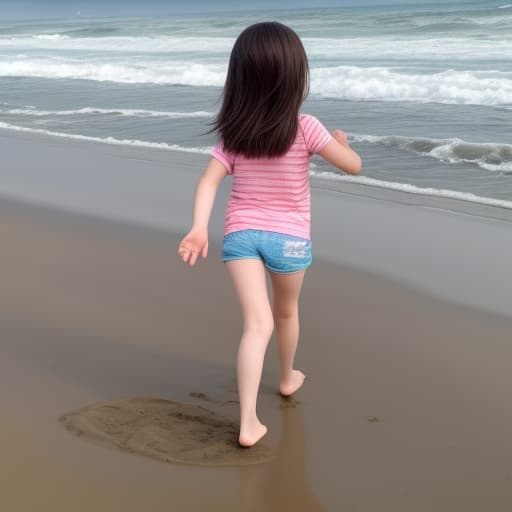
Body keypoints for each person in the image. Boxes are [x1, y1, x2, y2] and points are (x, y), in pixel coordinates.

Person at [178, 21, 361, 448]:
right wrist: (342, 142)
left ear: (238, 77)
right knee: (285, 313)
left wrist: (199, 227)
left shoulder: (235, 133)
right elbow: (353, 165)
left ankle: (248, 423)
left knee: (255, 325)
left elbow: (209, 182)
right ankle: (286, 377)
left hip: (240, 235)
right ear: (296, 75)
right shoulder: (306, 127)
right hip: (290, 240)